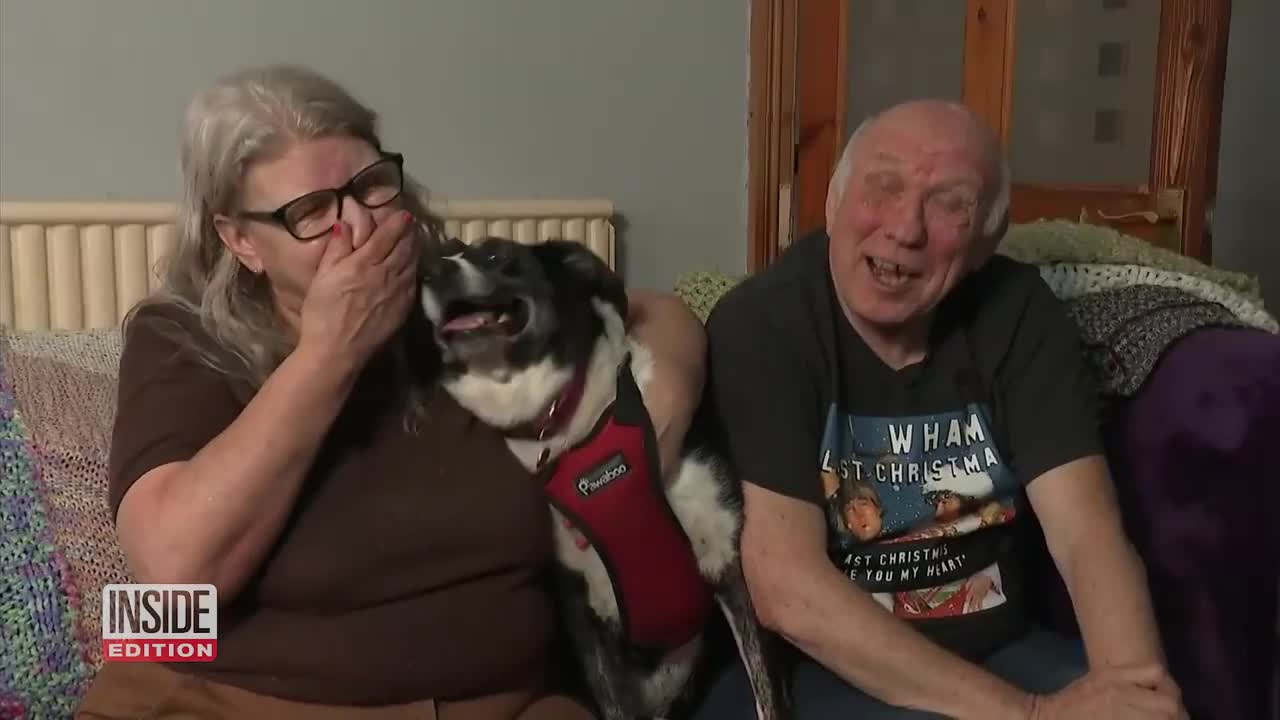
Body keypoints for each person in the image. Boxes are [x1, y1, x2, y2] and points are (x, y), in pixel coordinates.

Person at [75, 64, 707, 720]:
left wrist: (657, 415)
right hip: (227, 698)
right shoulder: (183, 333)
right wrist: (330, 353)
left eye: (372, 186)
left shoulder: (458, 295)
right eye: (311, 212)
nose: (359, 226)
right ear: (239, 240)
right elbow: (173, 571)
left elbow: (659, 315)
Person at [694, 100, 1188, 719]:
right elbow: (787, 591)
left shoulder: (1018, 315)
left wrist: (1134, 691)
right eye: (884, 186)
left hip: (1002, 650)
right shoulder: (763, 324)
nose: (905, 228)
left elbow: (1087, 536)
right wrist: (1030, 715)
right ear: (832, 205)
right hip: (827, 668)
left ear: (984, 241)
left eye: (949, 203)